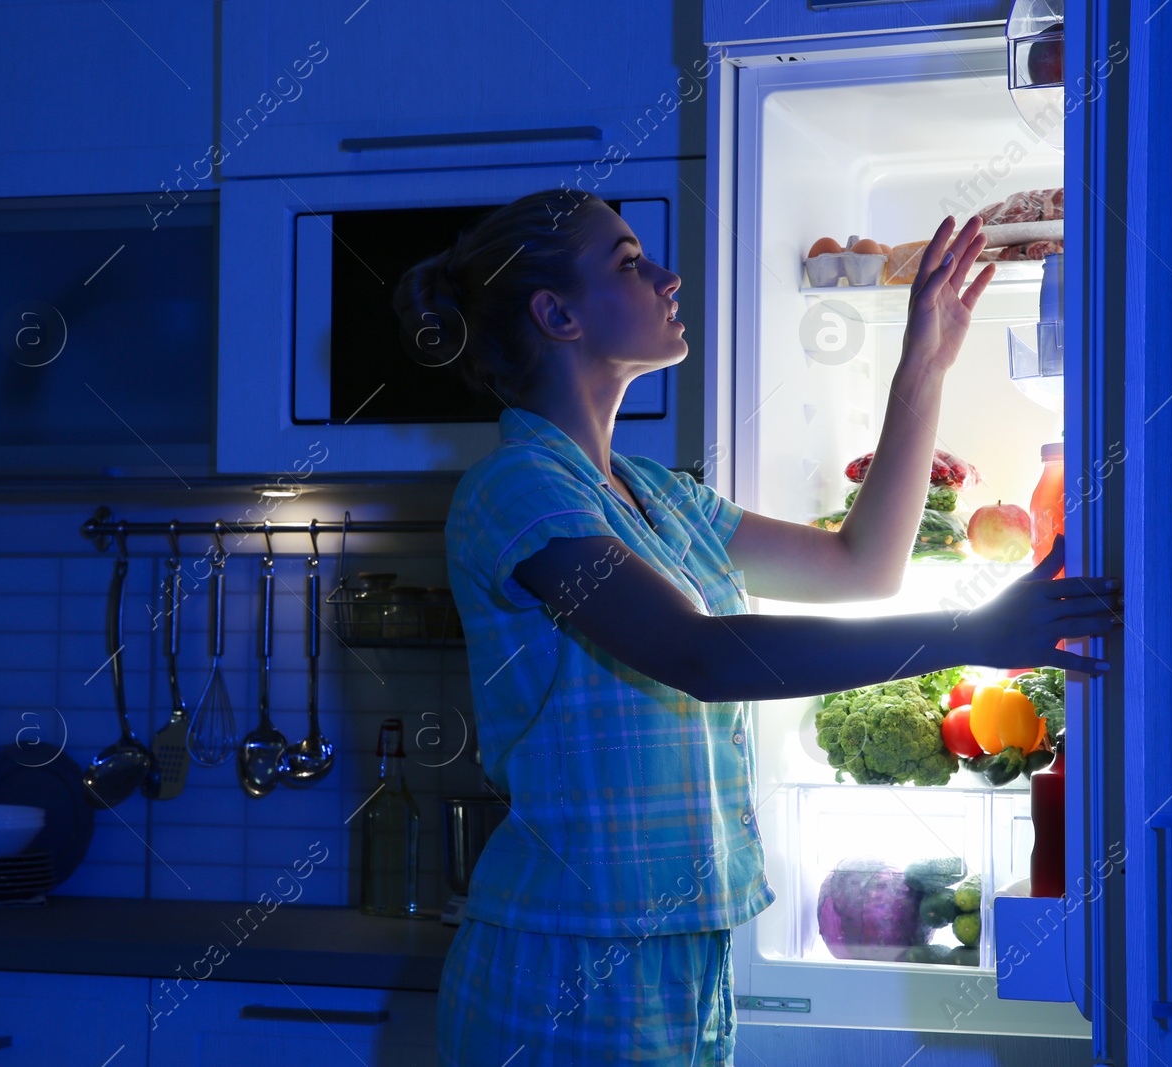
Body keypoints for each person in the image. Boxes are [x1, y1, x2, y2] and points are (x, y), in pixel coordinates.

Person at [394, 189, 1119, 1066]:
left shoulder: (658, 495)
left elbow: (863, 567)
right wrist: (969, 632)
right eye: (628, 262)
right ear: (557, 314)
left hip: (684, 948)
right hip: (566, 957)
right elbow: (698, 653)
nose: (668, 276)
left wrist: (922, 364)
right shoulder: (517, 490)